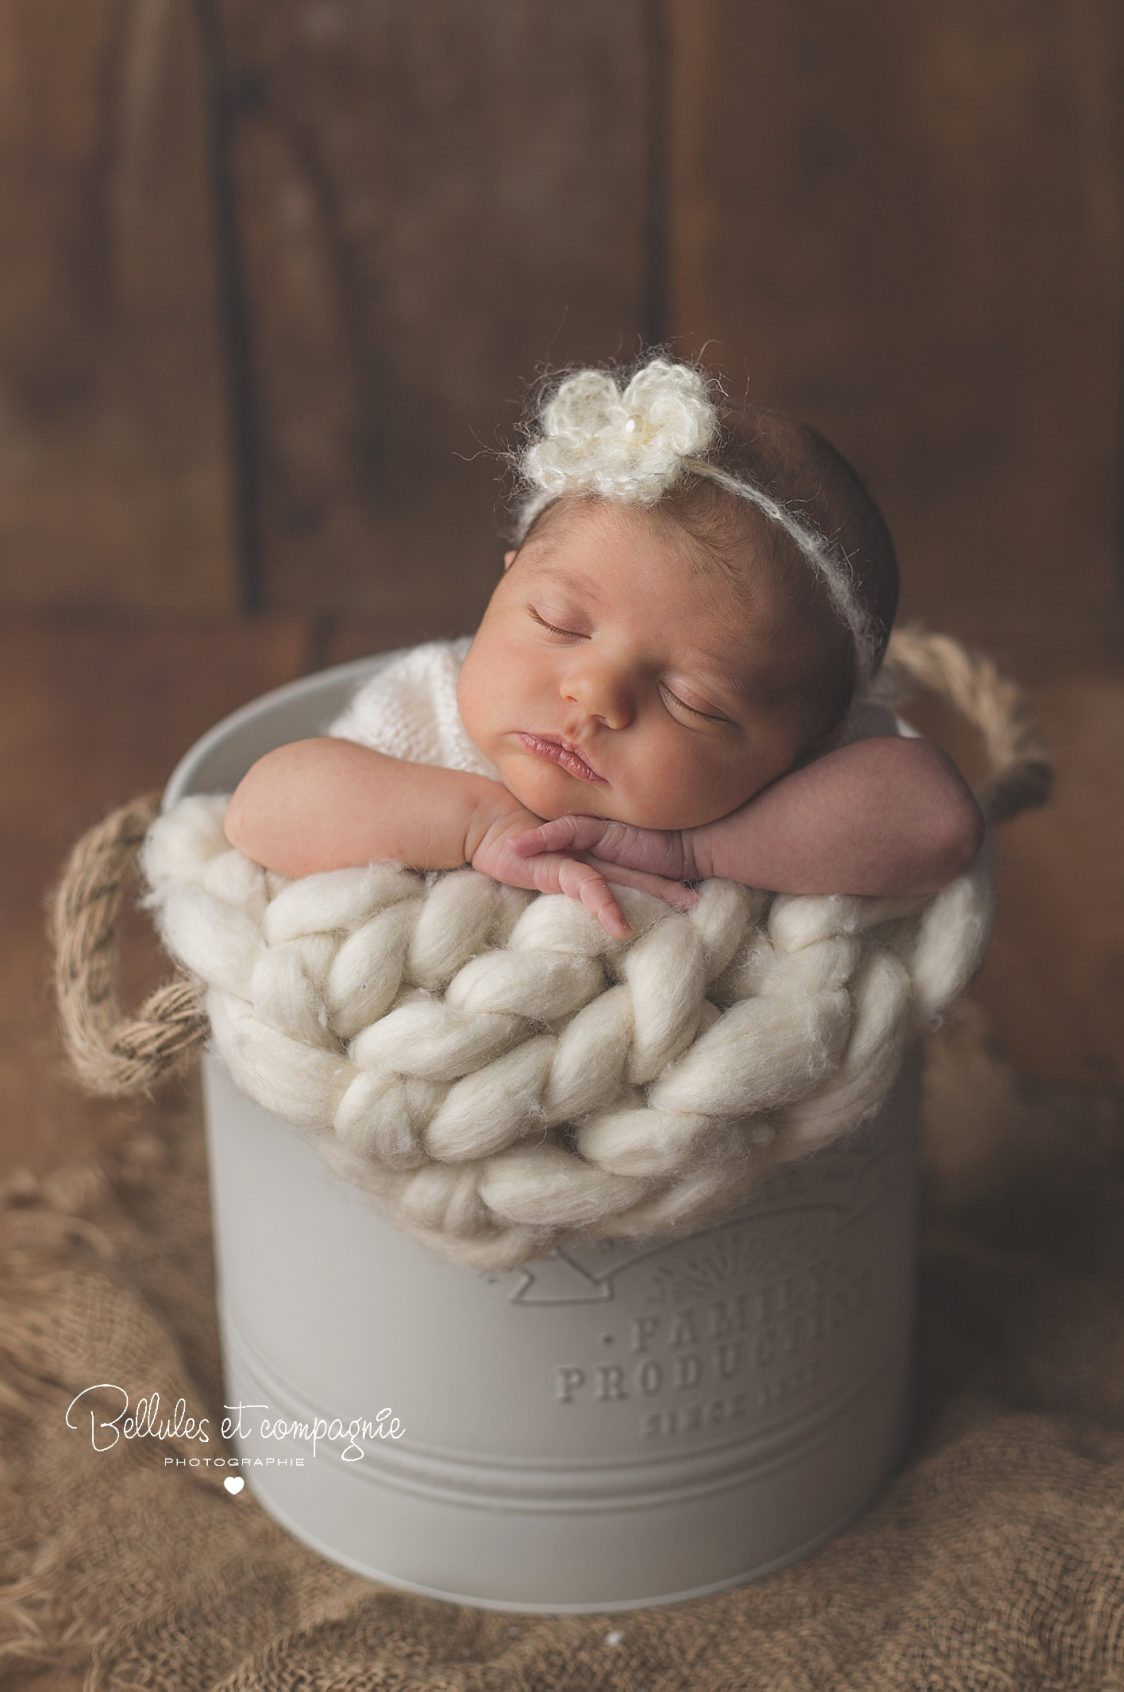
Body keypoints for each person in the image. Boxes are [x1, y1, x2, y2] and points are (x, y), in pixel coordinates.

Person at [223, 355, 984, 938]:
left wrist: (699, 853)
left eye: (692, 700)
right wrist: (478, 825)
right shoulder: (429, 716)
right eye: (558, 622)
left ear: (807, 744)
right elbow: (261, 807)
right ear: (505, 582)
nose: (593, 694)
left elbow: (940, 821)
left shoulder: (785, 801)